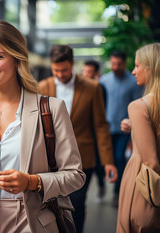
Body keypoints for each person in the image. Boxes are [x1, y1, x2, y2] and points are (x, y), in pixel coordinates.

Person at [0, 20, 85, 233]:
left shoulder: (51, 109)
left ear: (17, 58)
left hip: (30, 220)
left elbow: (75, 176)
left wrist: (32, 182)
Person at [38, 45, 117, 233]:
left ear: (73, 64)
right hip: (49, 158)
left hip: (82, 158)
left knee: (77, 204)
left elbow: (100, 125)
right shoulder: (42, 87)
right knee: (50, 206)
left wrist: (108, 162)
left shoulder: (92, 87)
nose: (60, 74)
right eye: (55, 70)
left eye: (64, 70)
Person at [117, 42, 160, 232]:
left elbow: (151, 162)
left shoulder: (138, 106)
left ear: (151, 69)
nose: (133, 71)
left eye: (137, 66)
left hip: (148, 181)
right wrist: (135, 126)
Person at [99, 51, 143, 206]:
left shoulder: (133, 81)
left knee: (119, 157)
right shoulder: (104, 80)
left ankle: (118, 192)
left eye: (119, 64)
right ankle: (101, 184)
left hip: (125, 129)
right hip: (106, 127)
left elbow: (138, 104)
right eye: (113, 63)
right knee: (102, 159)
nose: (115, 67)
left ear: (124, 63)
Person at [82, 60, 107, 203]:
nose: (85, 74)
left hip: (95, 134)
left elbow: (102, 114)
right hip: (82, 134)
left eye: (89, 72)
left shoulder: (99, 88)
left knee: (97, 164)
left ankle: (101, 185)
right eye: (84, 71)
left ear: (96, 74)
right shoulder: (78, 88)